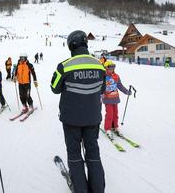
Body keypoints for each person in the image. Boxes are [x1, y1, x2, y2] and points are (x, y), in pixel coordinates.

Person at [50, 30, 106, 193]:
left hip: (71, 119)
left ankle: (81, 189)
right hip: (93, 118)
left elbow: (54, 88)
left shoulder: (65, 65)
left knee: (74, 154)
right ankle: (98, 189)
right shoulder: (99, 64)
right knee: (93, 152)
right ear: (85, 44)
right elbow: (101, 88)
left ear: (70, 46)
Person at [102, 60, 131, 139]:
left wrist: (126, 91)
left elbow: (120, 85)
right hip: (107, 99)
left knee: (115, 114)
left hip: (115, 98)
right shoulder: (103, 76)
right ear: (105, 68)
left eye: (112, 68)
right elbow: (100, 87)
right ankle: (107, 128)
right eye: (109, 69)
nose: (111, 70)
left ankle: (115, 126)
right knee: (109, 114)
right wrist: (100, 94)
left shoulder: (116, 76)